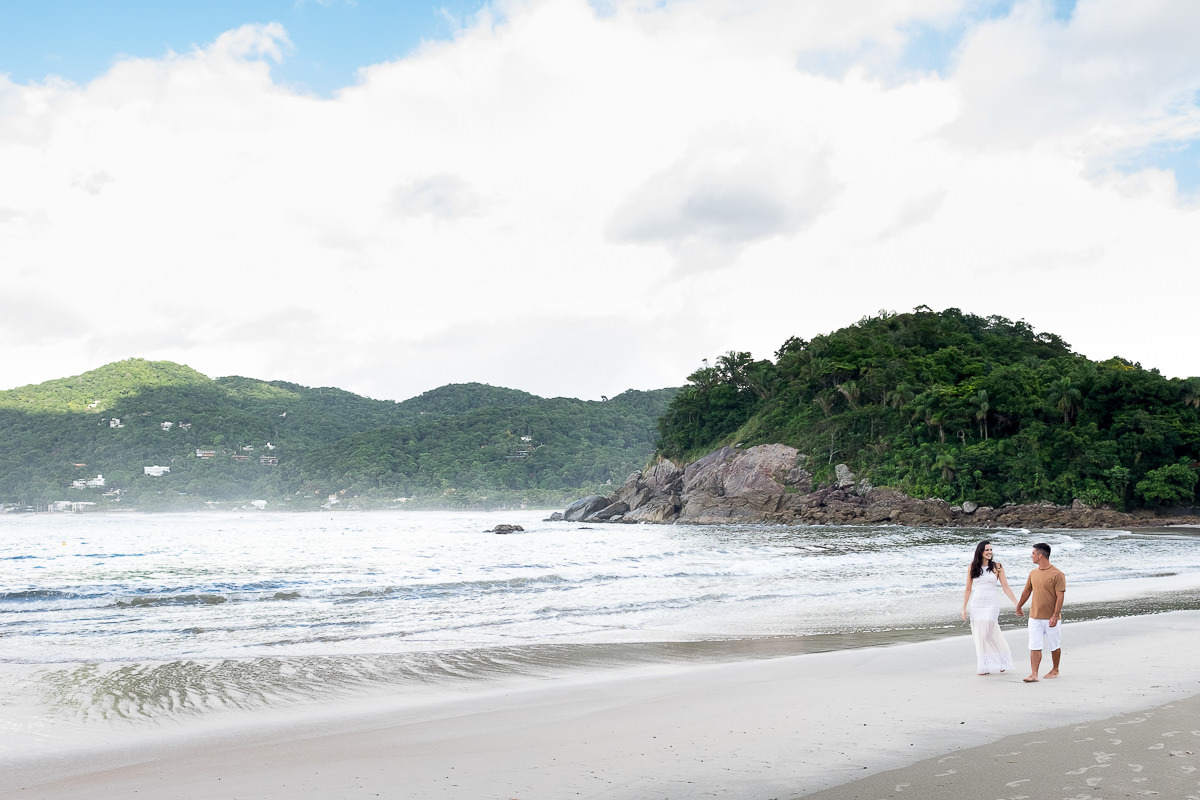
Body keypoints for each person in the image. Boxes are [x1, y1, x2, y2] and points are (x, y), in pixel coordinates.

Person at [961, 540, 1019, 675]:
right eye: (987, 550)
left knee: (987, 631)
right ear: (980, 551)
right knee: (980, 635)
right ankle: (985, 665)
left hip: (991, 603)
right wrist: (963, 608)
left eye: (991, 550)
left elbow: (1006, 587)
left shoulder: (997, 567)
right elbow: (968, 589)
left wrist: (1017, 604)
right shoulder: (972, 567)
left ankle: (1001, 660)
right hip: (977, 603)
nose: (989, 552)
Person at [1014, 542, 1066, 683]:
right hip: (1034, 617)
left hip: (1051, 617)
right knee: (1034, 645)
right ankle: (1034, 674)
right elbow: (1027, 591)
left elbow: (1060, 597)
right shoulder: (1033, 573)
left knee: (1054, 645)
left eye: (1033, 553)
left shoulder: (1058, 574)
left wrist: (1055, 615)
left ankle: (1055, 669)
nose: (1031, 556)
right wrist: (1019, 606)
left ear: (1040, 555)